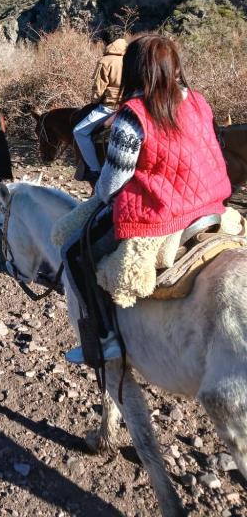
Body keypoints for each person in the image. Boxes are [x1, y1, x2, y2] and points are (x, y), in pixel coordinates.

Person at [62, 34, 232, 364]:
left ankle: (103, 339)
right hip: (213, 203)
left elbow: (113, 183)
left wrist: (97, 196)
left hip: (162, 214)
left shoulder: (132, 116)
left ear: (134, 70)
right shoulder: (198, 100)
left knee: (73, 253)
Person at [73, 32, 128, 184]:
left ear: (106, 42)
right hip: (129, 105)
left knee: (80, 132)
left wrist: (95, 100)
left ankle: (94, 170)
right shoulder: (132, 58)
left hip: (110, 107)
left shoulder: (106, 61)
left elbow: (98, 90)